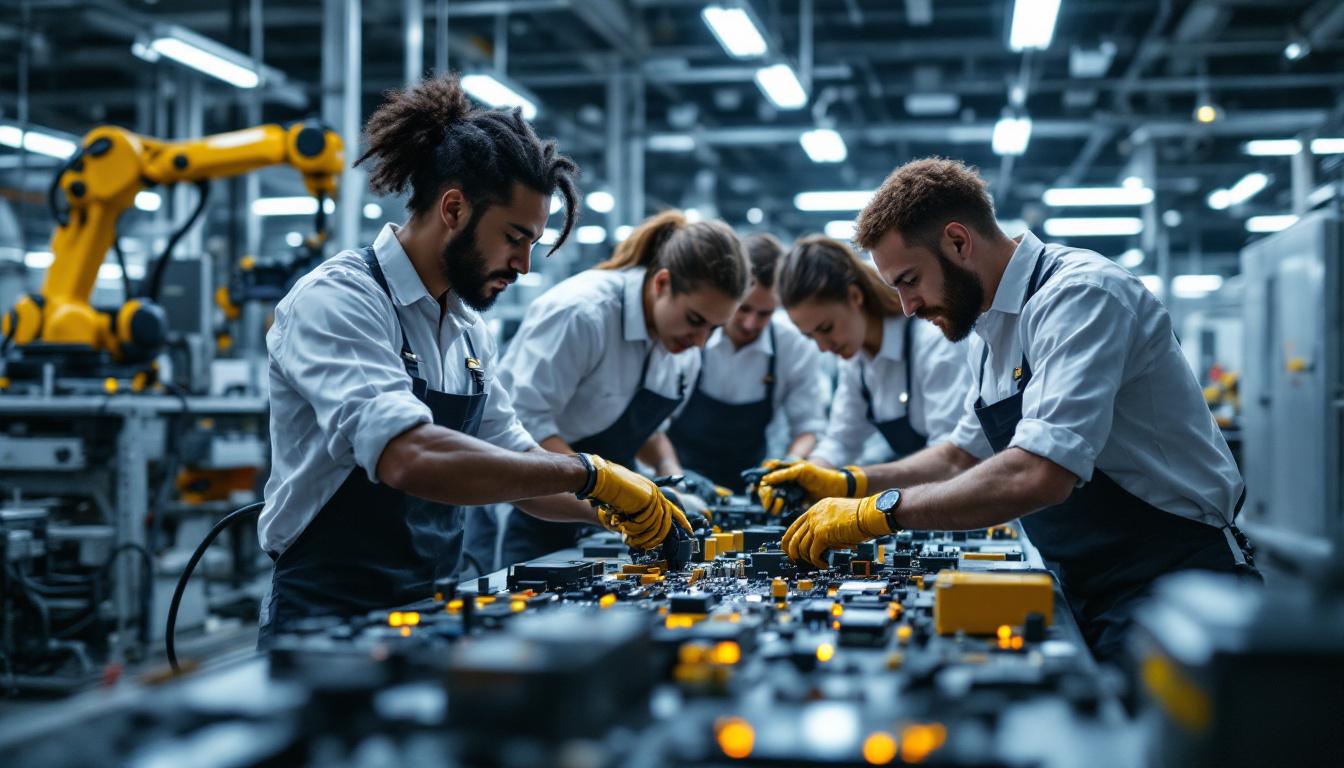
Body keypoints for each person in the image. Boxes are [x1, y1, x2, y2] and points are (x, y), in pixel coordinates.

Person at [761, 157, 1258, 662]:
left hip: (1175, 584)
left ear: (958, 241)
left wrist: (881, 512)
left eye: (910, 279)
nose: (906, 306)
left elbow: (1039, 475)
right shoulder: (987, 330)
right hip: (1085, 582)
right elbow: (958, 457)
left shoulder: (1079, 296)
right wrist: (850, 484)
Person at [257, 75, 688, 643]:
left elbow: (521, 472)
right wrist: (590, 474)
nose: (525, 265)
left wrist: (620, 510)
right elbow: (408, 456)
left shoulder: (466, 331)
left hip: (432, 604)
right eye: (515, 237)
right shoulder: (339, 300)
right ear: (454, 208)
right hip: (326, 614)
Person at [495, 210, 749, 566]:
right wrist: (619, 503)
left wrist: (670, 479)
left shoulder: (682, 346)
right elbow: (522, 431)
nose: (702, 341)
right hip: (540, 515)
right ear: (661, 284)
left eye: (715, 328)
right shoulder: (582, 314)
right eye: (695, 320)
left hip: (615, 526)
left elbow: (646, 432)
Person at [774, 235, 971, 479]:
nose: (823, 347)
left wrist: (853, 482)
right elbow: (841, 442)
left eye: (826, 329)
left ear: (855, 296)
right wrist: (807, 475)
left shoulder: (932, 341)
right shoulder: (856, 361)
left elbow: (951, 455)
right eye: (810, 337)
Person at [647, 233, 828, 492]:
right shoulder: (689, 336)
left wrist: (787, 467)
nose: (750, 323)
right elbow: (653, 428)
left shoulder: (793, 347)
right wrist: (674, 475)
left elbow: (808, 428)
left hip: (749, 483)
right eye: (743, 309)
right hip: (679, 478)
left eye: (764, 314)